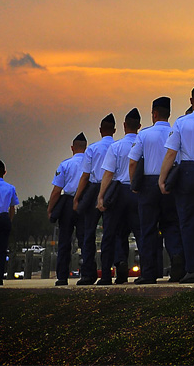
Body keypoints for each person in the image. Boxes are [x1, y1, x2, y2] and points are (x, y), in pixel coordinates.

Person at [161, 81, 194, 283]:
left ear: (191, 101)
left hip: (187, 173)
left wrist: (162, 178)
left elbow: (170, 154)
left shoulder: (182, 122)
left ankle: (191, 268)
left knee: (187, 223)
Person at [129, 96, 183, 283]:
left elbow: (133, 161)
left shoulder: (144, 135)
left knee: (148, 230)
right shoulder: (175, 132)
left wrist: (134, 184)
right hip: (171, 183)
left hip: (149, 184)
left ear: (154, 114)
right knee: (172, 226)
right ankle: (177, 262)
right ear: (168, 114)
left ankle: (148, 273)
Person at [97, 108, 142, 284]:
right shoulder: (142, 143)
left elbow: (108, 174)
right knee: (140, 234)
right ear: (139, 125)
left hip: (117, 193)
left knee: (111, 234)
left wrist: (101, 196)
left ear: (124, 126)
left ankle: (108, 275)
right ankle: (146, 273)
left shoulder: (115, 147)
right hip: (136, 191)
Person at [74, 113, 116, 285]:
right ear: (114, 130)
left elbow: (84, 176)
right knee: (110, 234)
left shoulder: (92, 149)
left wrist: (77, 198)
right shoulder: (118, 146)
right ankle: (107, 274)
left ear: (100, 130)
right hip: (113, 189)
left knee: (89, 233)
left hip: (93, 188)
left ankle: (88, 274)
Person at [47, 132, 87, 285]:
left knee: (64, 242)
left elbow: (57, 191)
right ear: (86, 147)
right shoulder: (90, 163)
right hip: (85, 203)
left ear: (72, 148)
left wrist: (50, 209)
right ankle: (86, 274)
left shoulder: (65, 165)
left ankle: (62, 277)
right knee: (85, 241)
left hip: (68, 204)